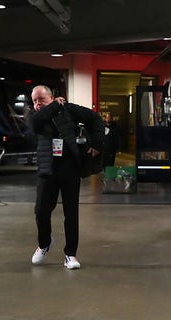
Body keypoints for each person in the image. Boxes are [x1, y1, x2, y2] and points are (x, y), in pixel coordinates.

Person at [29, 85, 104, 270]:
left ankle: (70, 254)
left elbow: (95, 119)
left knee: (71, 214)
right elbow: (34, 124)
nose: (38, 103)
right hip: (47, 171)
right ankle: (44, 243)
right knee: (41, 211)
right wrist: (53, 105)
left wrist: (96, 143)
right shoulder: (37, 117)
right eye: (35, 100)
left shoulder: (69, 110)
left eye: (41, 99)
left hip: (69, 170)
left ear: (52, 96)